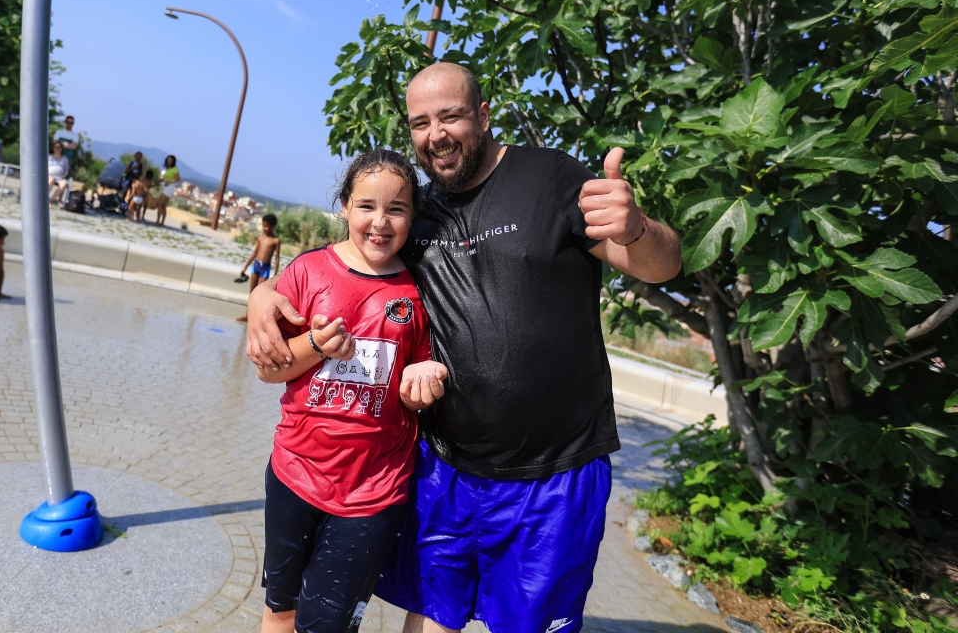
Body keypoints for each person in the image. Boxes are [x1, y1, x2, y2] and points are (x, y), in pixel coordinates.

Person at [247, 62, 684, 633]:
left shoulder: (551, 177)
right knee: (431, 616)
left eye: (450, 116)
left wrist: (635, 229)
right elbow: (346, 262)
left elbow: (662, 265)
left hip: (553, 474)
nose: (436, 135)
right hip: (446, 468)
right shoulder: (419, 209)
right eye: (421, 123)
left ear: (482, 115)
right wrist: (265, 294)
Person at [254, 149, 450, 633]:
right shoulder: (307, 272)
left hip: (372, 493)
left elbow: (408, 390)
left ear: (413, 215)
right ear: (344, 206)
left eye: (397, 209)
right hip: (294, 472)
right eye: (366, 206)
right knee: (280, 609)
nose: (379, 222)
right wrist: (317, 344)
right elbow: (269, 372)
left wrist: (419, 389)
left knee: (327, 626)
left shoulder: (418, 293)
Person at [236, 213, 282, 322]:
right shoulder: (260, 238)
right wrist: (245, 267)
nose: (264, 228)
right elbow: (254, 253)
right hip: (256, 266)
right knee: (252, 293)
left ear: (273, 226)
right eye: (263, 226)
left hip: (265, 268)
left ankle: (257, 318)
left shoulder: (276, 241)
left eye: (266, 226)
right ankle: (247, 315)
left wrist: (275, 274)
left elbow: (277, 258)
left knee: (261, 294)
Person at [155, 154, 180, 226]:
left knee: (160, 204)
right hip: (165, 186)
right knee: (163, 205)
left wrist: (170, 182)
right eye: (168, 160)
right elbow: (166, 178)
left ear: (173, 161)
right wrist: (160, 181)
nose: (169, 162)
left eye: (170, 161)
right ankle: (161, 222)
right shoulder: (168, 169)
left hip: (169, 187)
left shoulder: (175, 169)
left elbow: (178, 179)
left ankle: (158, 221)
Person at [47, 141, 70, 206]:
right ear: (53, 148)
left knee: (64, 184)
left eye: (59, 147)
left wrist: (63, 176)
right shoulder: (49, 157)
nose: (57, 149)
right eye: (56, 147)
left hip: (59, 177)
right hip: (49, 175)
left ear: (62, 149)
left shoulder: (65, 159)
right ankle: (45, 198)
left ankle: (50, 201)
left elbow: (66, 171)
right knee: (51, 180)